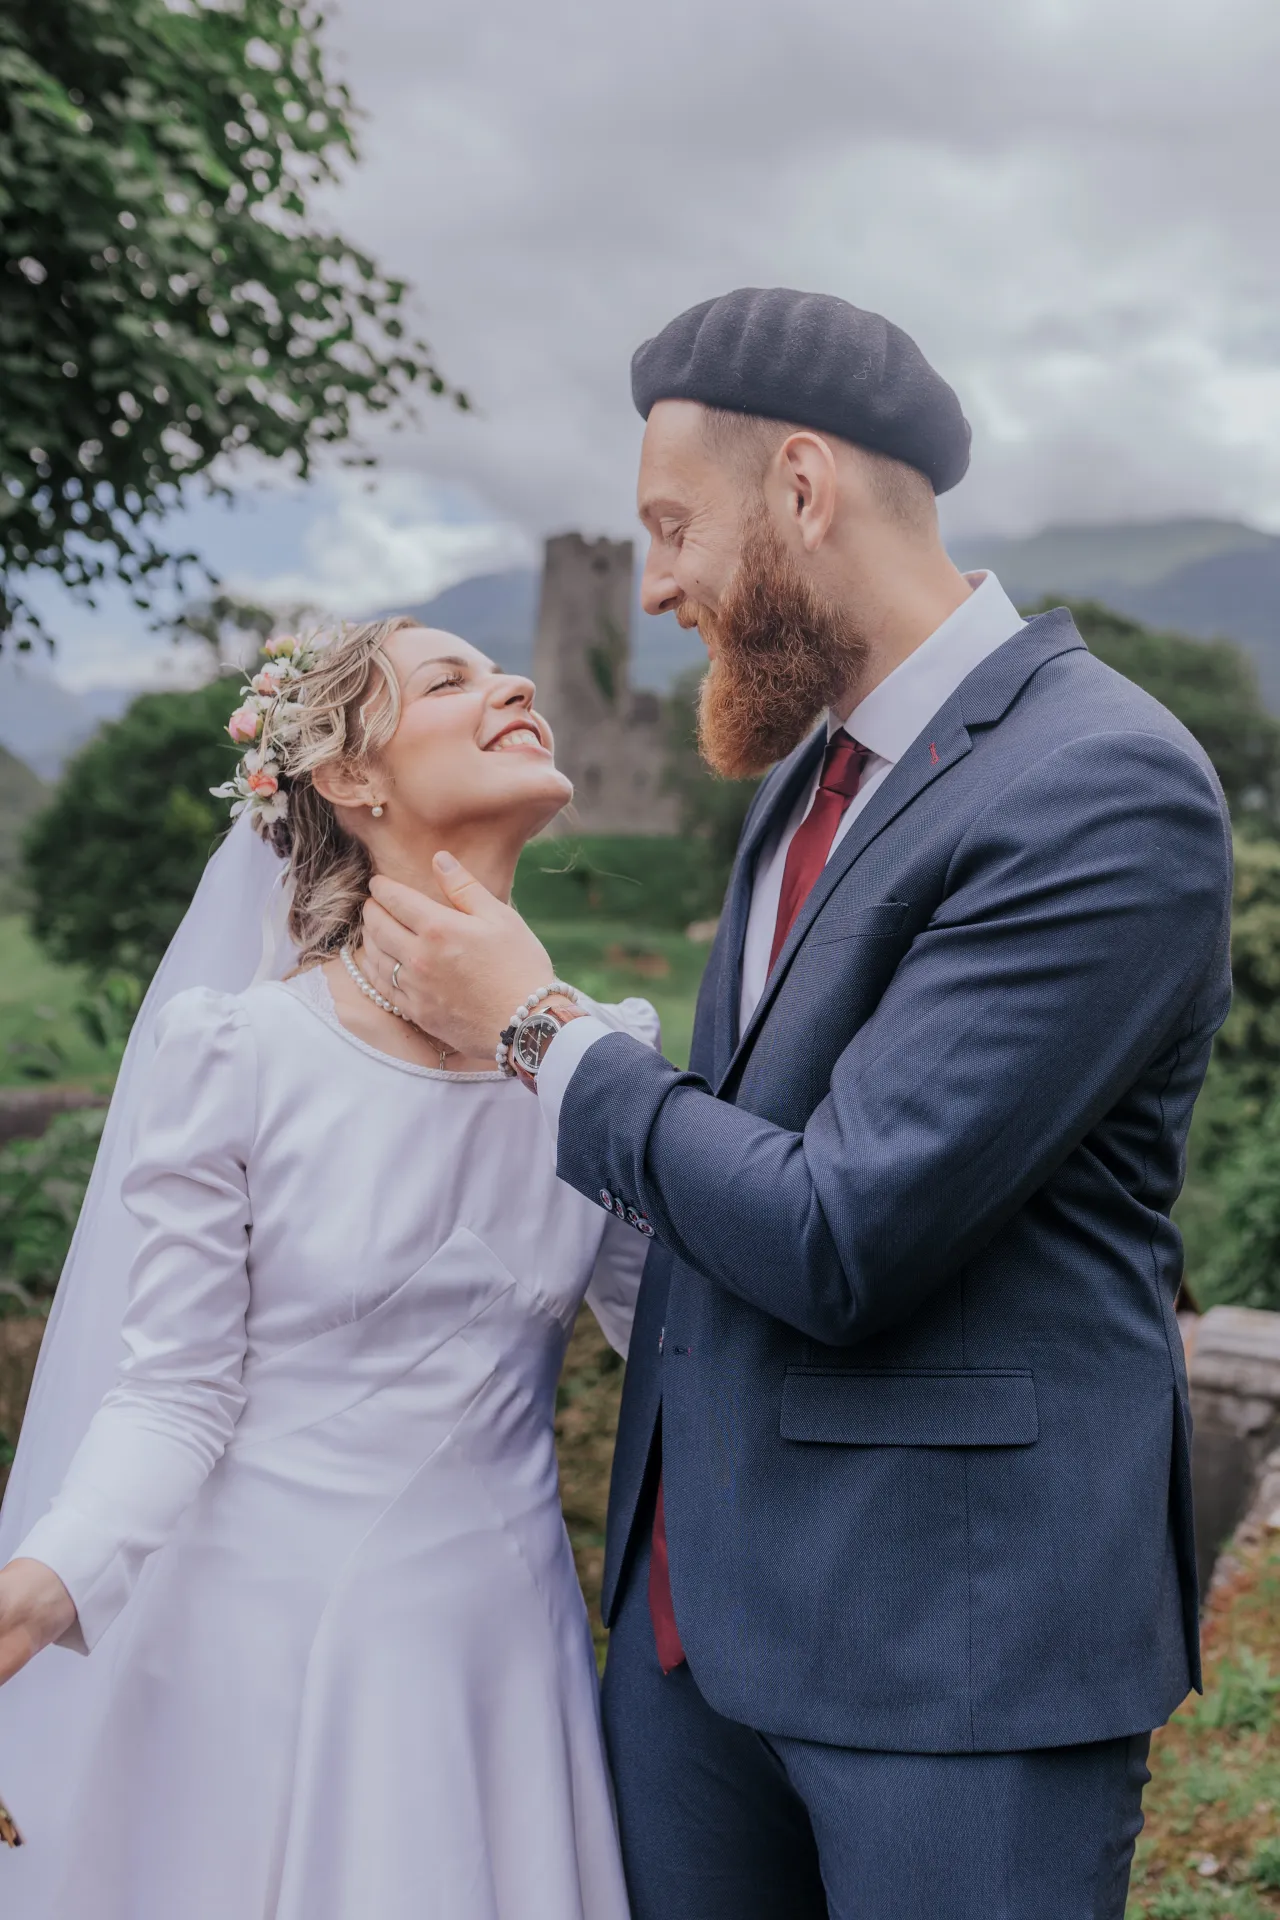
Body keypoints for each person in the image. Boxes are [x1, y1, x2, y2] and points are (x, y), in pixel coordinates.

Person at [357, 289, 1234, 1918]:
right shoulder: (804, 779)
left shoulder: (1101, 782)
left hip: (950, 1667)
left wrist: (540, 1032)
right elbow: (720, 1176)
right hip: (691, 1648)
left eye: (674, 527)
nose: (662, 585)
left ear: (806, 491)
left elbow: (841, 1230)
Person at [0, 616, 656, 1920]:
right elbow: (174, 1396)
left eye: (506, 669)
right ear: (351, 779)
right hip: (255, 1660)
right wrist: (34, 1590)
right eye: (454, 677)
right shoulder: (241, 1053)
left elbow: (683, 1353)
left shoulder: (608, 1062)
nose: (518, 682)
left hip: (499, 1667)